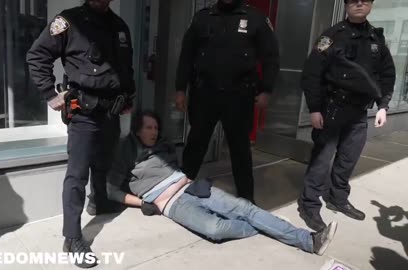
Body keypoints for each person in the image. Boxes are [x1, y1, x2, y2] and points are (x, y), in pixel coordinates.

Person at [107, 111, 338, 257]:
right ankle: (269, 224)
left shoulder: (164, 145)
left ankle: (310, 240)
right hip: (171, 203)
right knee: (215, 229)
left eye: (156, 128)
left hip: (191, 186)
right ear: (137, 129)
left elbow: (176, 169)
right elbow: (112, 190)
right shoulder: (126, 150)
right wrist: (141, 203)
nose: (154, 132)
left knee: (245, 208)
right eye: (148, 127)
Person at [26, 0, 135, 267]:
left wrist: (128, 96)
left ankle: (99, 203)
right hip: (83, 113)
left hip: (111, 111)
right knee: (77, 174)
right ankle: (72, 236)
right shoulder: (68, 21)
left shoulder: (119, 26)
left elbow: (125, 67)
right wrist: (50, 94)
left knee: (103, 163)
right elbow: (37, 55)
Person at [297, 0, 395, 231]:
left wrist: (383, 105)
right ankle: (309, 204)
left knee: (347, 160)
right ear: (346, 5)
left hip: (359, 113)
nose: (359, 4)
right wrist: (314, 109)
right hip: (332, 109)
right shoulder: (332, 36)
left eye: (364, 0)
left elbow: (387, 74)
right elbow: (312, 74)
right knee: (321, 162)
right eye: (353, 0)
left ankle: (337, 198)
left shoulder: (376, 39)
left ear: (371, 4)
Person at [175, 0, 280, 203]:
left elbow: (271, 57)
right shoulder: (202, 17)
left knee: (240, 149)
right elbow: (186, 56)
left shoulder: (256, 18)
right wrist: (180, 88)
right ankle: (178, 192)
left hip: (239, 97)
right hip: (204, 94)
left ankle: (247, 199)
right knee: (195, 144)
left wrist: (266, 89)